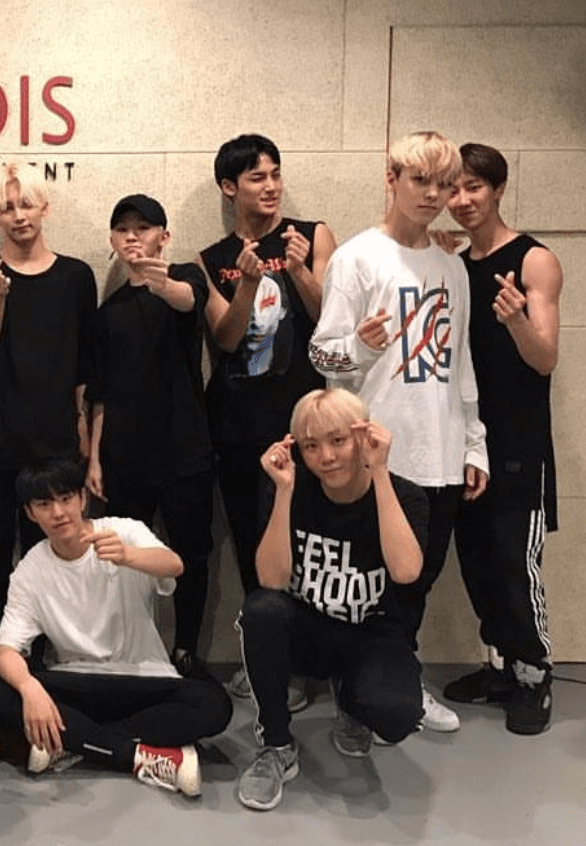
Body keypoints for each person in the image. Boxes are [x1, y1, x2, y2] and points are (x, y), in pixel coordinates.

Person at [309, 131, 489, 733]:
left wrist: (474, 442)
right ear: (392, 179)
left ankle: (395, 679)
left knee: (420, 580)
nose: (434, 195)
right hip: (381, 453)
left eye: (444, 184)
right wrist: (359, 348)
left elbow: (461, 359)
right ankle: (365, 688)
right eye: (421, 181)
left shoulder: (452, 266)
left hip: (442, 450)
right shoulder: (357, 258)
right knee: (375, 582)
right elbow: (321, 355)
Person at [0, 457, 233, 798]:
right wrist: (29, 687)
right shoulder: (30, 570)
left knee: (215, 704)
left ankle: (76, 742)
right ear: (30, 513)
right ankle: (141, 755)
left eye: (65, 498)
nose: (58, 512)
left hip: (145, 677)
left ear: (82, 498)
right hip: (80, 681)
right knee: (5, 698)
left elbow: (174, 565)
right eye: (44, 504)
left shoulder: (122, 530)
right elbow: (5, 651)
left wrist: (129, 556)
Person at [235, 389, 425, 811]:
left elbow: (406, 572)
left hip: (371, 633)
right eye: (310, 446)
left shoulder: (406, 496)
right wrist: (283, 492)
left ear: (363, 437)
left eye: (338, 441)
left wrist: (379, 472)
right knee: (261, 611)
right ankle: (277, 745)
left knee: (396, 717)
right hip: (308, 630)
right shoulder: (291, 489)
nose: (326, 457)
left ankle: (353, 700)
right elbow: (271, 579)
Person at [198, 135, 336, 699]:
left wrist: (299, 272)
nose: (272, 186)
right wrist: (249, 284)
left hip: (303, 424)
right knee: (253, 544)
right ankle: (268, 660)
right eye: (257, 177)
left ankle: (304, 663)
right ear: (229, 188)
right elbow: (226, 339)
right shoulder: (210, 260)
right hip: (237, 425)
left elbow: (329, 317)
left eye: (276, 174)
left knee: (307, 545)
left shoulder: (312, 234)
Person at [444, 142, 562, 735]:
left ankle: (534, 675)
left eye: (475, 187)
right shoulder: (455, 264)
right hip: (467, 438)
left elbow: (545, 359)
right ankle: (500, 668)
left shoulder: (534, 260)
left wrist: (515, 317)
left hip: (519, 441)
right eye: (454, 188)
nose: (463, 199)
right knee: (478, 562)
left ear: (498, 189)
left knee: (515, 566)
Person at [0, 162, 97, 624]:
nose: (18, 216)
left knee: (53, 554)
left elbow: (84, 362)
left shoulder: (76, 276)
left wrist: (81, 425)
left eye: (27, 204)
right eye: (7, 208)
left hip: (53, 441)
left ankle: (46, 646)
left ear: (44, 208)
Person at [85, 194, 216, 680]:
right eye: (123, 229)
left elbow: (188, 301)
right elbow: (99, 394)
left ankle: (186, 650)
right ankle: (133, 652)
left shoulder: (185, 278)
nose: (132, 236)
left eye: (143, 227)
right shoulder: (108, 311)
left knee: (191, 553)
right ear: (113, 239)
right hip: (124, 455)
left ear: (164, 235)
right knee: (124, 557)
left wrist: (162, 283)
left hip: (186, 449)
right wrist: (94, 458)